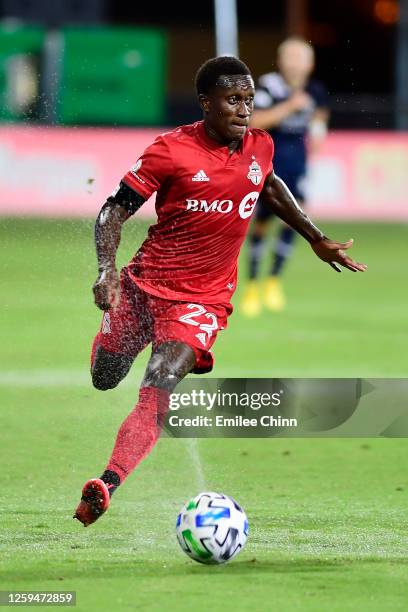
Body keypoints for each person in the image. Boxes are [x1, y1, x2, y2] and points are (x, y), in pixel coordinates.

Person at [73, 56, 366, 527]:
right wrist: (106, 270)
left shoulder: (260, 146)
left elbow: (268, 186)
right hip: (143, 285)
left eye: (249, 100)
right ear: (206, 103)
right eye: (233, 100)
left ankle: (106, 483)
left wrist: (315, 237)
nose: (244, 109)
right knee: (105, 375)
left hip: (201, 301)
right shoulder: (170, 150)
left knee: (158, 386)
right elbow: (112, 211)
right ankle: (109, 345)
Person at [240, 37, 330, 317]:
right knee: (262, 224)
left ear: (310, 63)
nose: (294, 63)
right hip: (268, 167)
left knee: (295, 222)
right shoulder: (268, 86)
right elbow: (254, 121)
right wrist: (289, 107)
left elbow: (320, 117)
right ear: (280, 61)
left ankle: (274, 281)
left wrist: (318, 132)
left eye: (300, 58)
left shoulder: (316, 90)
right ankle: (252, 285)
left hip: (298, 166)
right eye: (289, 57)